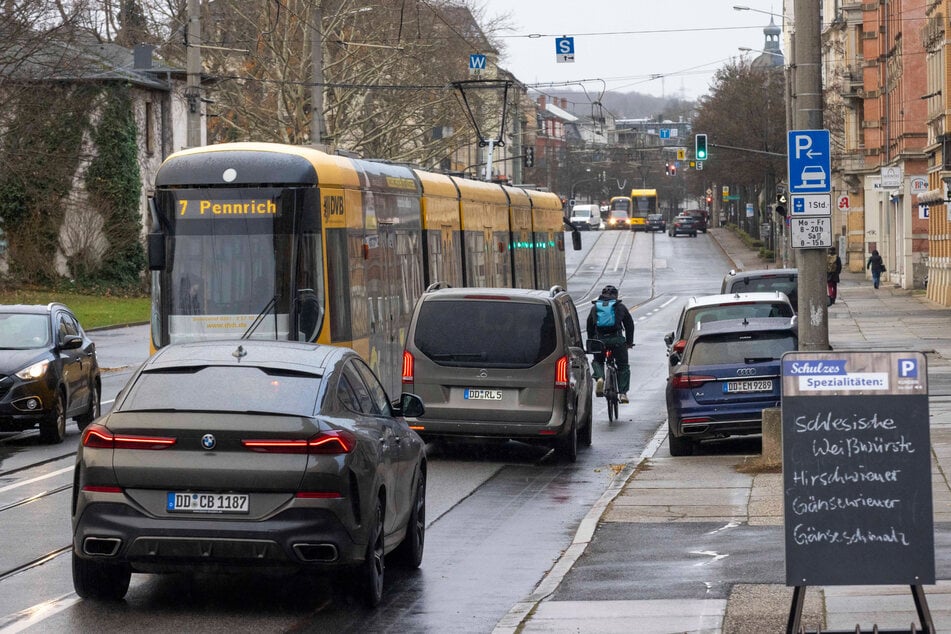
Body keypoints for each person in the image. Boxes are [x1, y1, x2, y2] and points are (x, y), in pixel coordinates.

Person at [586, 285, 635, 404]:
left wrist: (592, 342)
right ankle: (623, 393)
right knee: (623, 366)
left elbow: (589, 327)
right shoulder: (620, 307)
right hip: (617, 341)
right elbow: (629, 325)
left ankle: (600, 377)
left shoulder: (595, 308)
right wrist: (629, 342)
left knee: (597, 361)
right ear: (616, 295)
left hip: (600, 341)